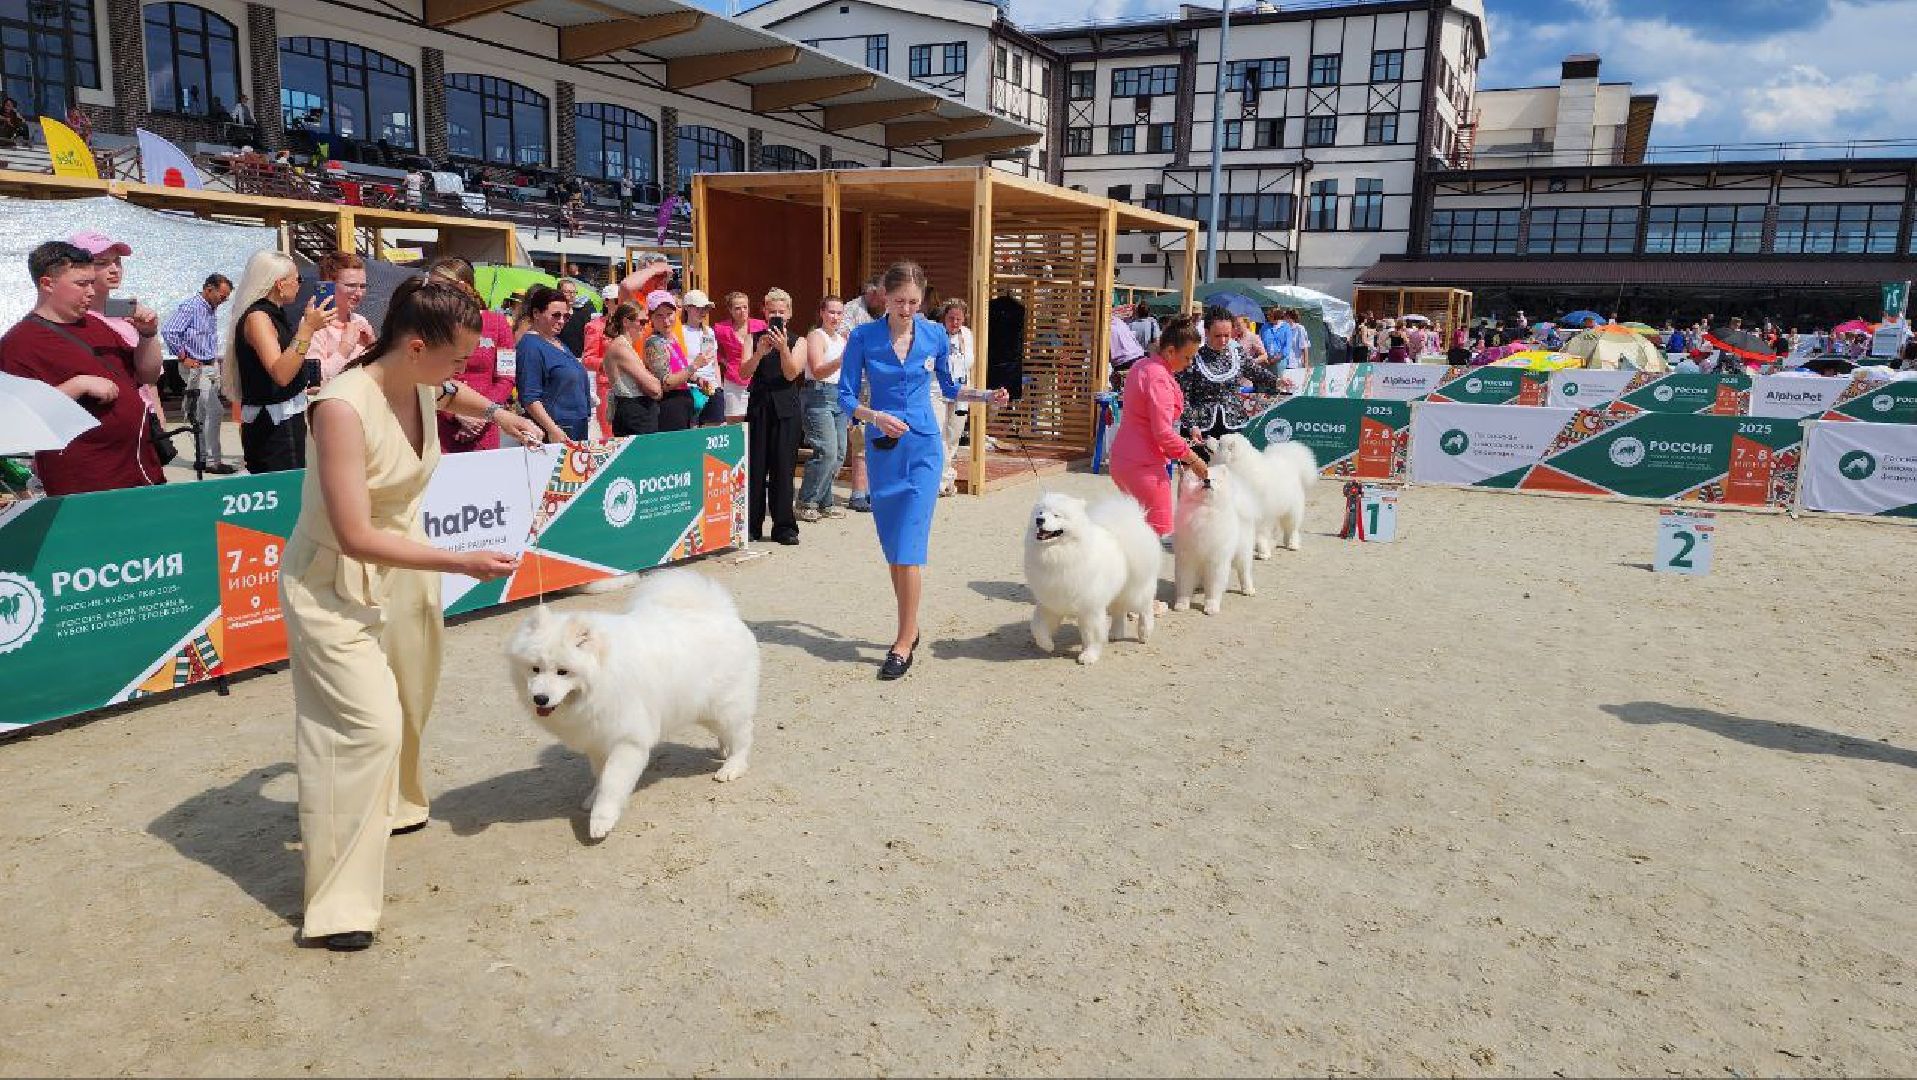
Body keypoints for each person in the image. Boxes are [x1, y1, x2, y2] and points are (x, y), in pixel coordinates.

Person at [283, 276, 544, 953]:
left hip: (406, 566)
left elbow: (455, 393)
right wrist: (462, 564)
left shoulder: (427, 381)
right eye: (458, 357)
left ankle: (398, 805)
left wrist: (502, 416)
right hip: (335, 578)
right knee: (361, 728)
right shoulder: (342, 407)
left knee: (412, 694)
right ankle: (337, 904)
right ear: (418, 346)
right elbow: (353, 536)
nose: (465, 370)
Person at [840, 262, 1008, 680]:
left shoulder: (934, 334)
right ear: (884, 295)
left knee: (911, 546)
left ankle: (903, 640)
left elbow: (950, 389)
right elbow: (844, 397)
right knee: (894, 548)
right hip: (883, 450)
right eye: (900, 301)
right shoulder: (862, 336)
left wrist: (987, 395)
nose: (907, 309)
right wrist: (873, 416)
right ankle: (909, 628)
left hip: (923, 449)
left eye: (914, 302)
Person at [0, 241, 166, 495]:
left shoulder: (97, 324)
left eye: (91, 282)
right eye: (81, 284)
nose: (91, 291)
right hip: (86, 482)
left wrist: (148, 335)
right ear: (47, 284)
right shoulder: (19, 343)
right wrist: (77, 386)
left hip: (140, 468)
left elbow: (147, 375)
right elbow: (13, 423)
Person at [226, 249, 333, 474]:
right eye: (297, 280)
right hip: (274, 428)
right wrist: (308, 329)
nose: (300, 285)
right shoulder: (258, 318)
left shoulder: (273, 314)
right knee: (285, 491)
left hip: (284, 419)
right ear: (279, 284)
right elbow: (281, 373)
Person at [1109, 315, 1207, 538]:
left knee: (1136, 532)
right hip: (1144, 466)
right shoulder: (1159, 378)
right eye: (1188, 357)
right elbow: (1163, 432)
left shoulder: (1142, 365)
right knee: (1160, 535)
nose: (1190, 363)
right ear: (1170, 351)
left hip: (1123, 460)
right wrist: (1192, 458)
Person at [424, 256, 518, 452]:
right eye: (429, 286)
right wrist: (456, 412)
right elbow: (423, 378)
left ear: (462, 287)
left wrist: (482, 414)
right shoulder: (428, 324)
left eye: (437, 286)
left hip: (484, 429)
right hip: (440, 426)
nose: (430, 293)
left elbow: (506, 378)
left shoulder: (498, 323)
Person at [73, 230, 166, 426]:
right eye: (102, 263)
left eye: (118, 261)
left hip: (141, 422)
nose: (114, 269)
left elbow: (150, 379)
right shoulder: (70, 318)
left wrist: (158, 417)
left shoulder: (127, 309)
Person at [742, 288, 804, 545]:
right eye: (772, 311)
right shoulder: (753, 338)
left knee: (783, 469)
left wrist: (782, 349)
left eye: (781, 311)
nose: (777, 315)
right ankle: (751, 526)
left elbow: (791, 374)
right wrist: (759, 353)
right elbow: (744, 373)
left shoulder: (799, 341)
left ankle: (784, 526)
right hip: (759, 407)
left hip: (786, 410)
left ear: (788, 314)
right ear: (764, 312)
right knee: (755, 468)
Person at [160, 273, 237, 473]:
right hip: (195, 368)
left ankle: (202, 458)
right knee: (215, 410)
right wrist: (182, 356)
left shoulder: (209, 309)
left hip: (209, 366)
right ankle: (213, 461)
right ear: (209, 289)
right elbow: (169, 330)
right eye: (222, 296)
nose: (224, 300)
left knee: (203, 413)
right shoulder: (192, 307)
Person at [1179, 307, 1280, 440]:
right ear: (1206, 332)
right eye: (1218, 335)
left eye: (1227, 335)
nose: (1223, 340)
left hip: (1234, 424)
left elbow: (1255, 371)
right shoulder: (1193, 358)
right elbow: (1182, 396)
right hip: (1200, 430)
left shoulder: (1237, 353)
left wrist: (1276, 381)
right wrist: (1191, 425)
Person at [516, 284, 592, 442]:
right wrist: (552, 429)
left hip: (576, 425)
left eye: (566, 316)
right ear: (536, 313)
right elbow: (530, 397)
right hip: (557, 429)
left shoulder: (557, 342)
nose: (562, 321)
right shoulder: (531, 345)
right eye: (556, 315)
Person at [796, 295, 849, 521]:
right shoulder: (815, 336)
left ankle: (824, 501)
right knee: (825, 450)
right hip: (818, 394)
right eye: (831, 312)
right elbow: (817, 370)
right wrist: (842, 360)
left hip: (839, 396)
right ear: (822, 313)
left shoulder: (842, 339)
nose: (835, 317)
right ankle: (806, 501)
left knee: (838, 454)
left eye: (839, 313)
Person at [307, 252, 377, 387]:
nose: (359, 293)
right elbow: (315, 381)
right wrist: (345, 348)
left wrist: (374, 347)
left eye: (363, 286)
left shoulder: (360, 321)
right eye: (351, 285)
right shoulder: (313, 324)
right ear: (329, 285)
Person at [641, 290, 700, 432]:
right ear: (651, 318)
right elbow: (666, 383)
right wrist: (695, 366)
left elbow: (679, 369)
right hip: (669, 406)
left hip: (683, 402)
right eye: (659, 316)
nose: (666, 321)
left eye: (669, 314)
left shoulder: (672, 337)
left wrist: (697, 379)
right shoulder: (654, 342)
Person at [604, 301, 661, 437]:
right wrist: (654, 385)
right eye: (641, 322)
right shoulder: (621, 348)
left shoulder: (625, 346)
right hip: (634, 413)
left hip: (636, 410)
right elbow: (654, 388)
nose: (645, 326)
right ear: (626, 322)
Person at [938, 299, 977, 496]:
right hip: (938, 390)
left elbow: (969, 361)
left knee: (954, 436)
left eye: (958, 319)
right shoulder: (936, 334)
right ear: (944, 318)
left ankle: (946, 479)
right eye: (951, 318)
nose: (955, 322)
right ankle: (939, 479)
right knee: (939, 434)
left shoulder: (967, 335)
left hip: (961, 390)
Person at [712, 290, 762, 425]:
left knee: (756, 420)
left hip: (756, 380)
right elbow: (712, 350)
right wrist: (723, 360)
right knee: (734, 422)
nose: (742, 311)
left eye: (745, 307)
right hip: (733, 380)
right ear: (730, 310)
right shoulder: (720, 328)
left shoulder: (761, 326)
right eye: (738, 308)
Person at [678, 289, 725, 427]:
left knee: (713, 433)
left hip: (711, 388)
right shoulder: (680, 332)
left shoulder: (709, 331)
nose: (703, 312)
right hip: (690, 388)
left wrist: (719, 387)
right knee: (692, 432)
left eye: (705, 308)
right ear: (687, 308)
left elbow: (714, 361)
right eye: (698, 308)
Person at [555, 278, 592, 359]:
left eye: (574, 292)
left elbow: (587, 337)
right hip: (558, 357)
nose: (572, 295)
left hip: (579, 359)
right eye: (567, 292)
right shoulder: (554, 315)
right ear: (559, 293)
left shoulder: (582, 313)